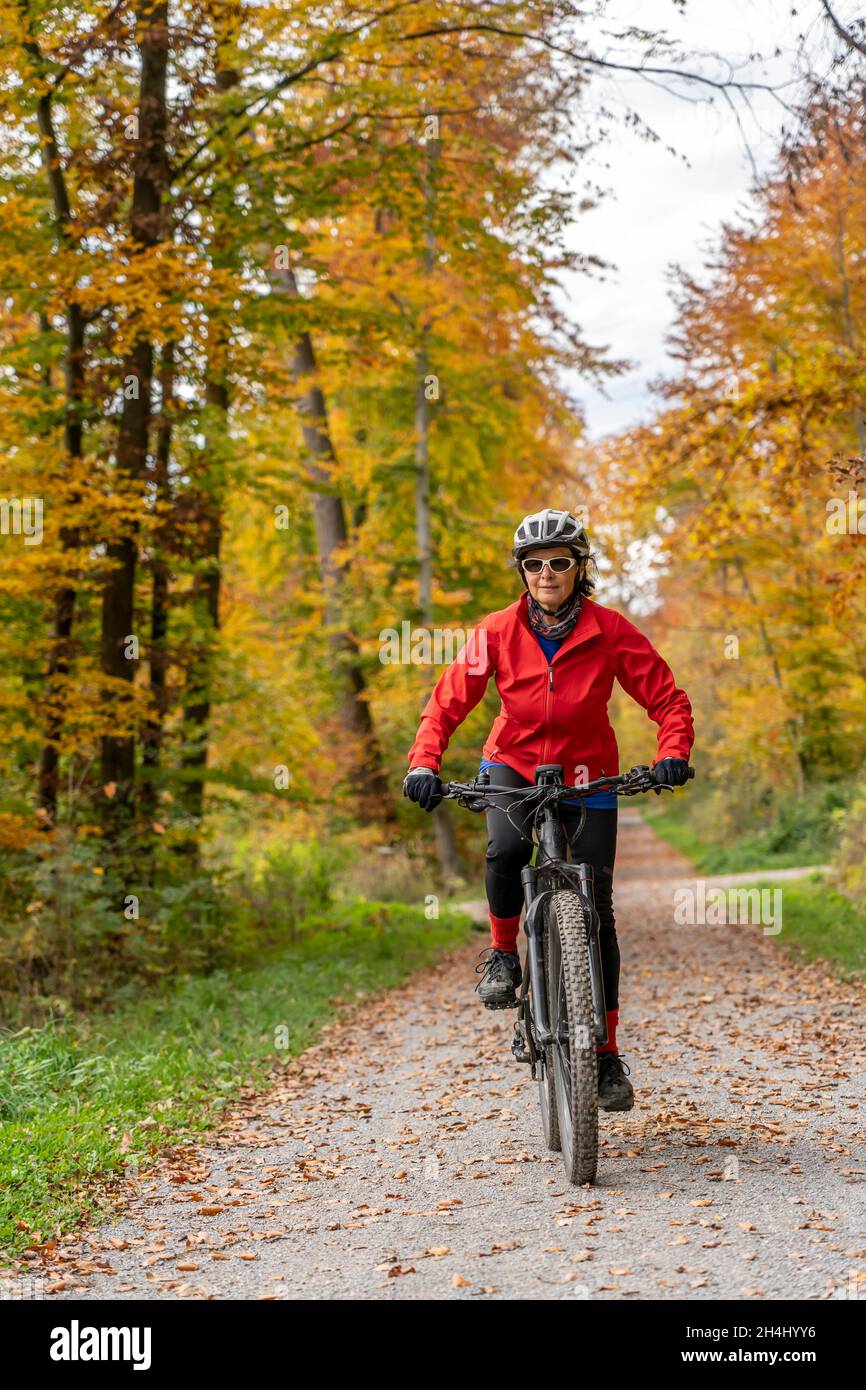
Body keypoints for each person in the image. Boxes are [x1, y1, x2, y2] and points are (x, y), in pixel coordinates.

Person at [403, 508, 694, 1111]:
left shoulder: (610, 630)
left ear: (578, 567)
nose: (546, 573)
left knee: (598, 912)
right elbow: (446, 704)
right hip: (512, 762)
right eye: (534, 564)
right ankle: (505, 955)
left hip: (589, 772)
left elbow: (668, 698)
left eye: (559, 562)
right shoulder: (495, 632)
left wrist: (672, 753)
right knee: (506, 850)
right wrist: (424, 764)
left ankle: (606, 1056)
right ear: (522, 572)